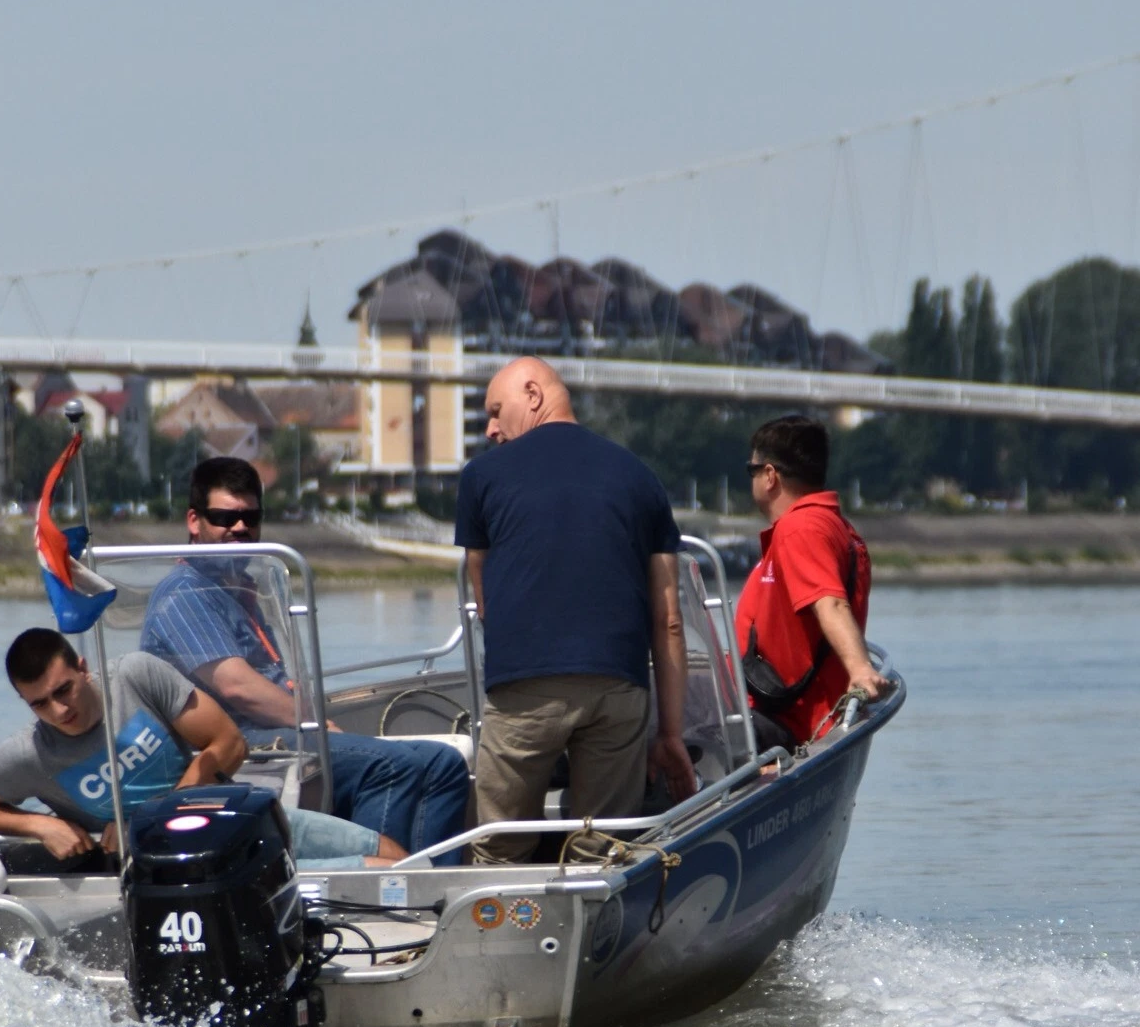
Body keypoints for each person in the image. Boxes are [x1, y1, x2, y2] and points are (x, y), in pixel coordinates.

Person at [140, 457, 470, 861]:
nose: (240, 528)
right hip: (238, 745)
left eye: (250, 517)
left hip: (277, 732)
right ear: (195, 521)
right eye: (225, 517)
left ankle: (431, 889)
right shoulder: (184, 594)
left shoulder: (241, 587)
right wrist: (317, 723)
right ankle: (379, 891)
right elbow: (238, 687)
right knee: (390, 766)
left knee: (445, 763)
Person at [454, 356, 696, 863]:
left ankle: (505, 932)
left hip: (524, 687)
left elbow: (484, 597)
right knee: (603, 852)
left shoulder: (481, 477)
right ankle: (599, 937)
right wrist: (670, 735)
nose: (491, 429)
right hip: (618, 688)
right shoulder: (640, 476)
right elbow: (669, 619)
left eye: (496, 410)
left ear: (534, 394)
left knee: (499, 852)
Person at [0, 627, 406, 870]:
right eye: (40, 704)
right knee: (376, 872)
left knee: (398, 856)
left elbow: (229, 743)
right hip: (177, 866)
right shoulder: (29, 754)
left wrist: (141, 819)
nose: (58, 710)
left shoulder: (136, 676)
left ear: (83, 669)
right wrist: (38, 825)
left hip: (232, 817)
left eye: (64, 690)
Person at [735, 414, 886, 748]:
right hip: (780, 715)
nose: (753, 480)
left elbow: (830, 601)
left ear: (770, 476)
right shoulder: (833, 526)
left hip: (785, 723)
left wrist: (860, 668)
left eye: (752, 470)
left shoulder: (801, 528)